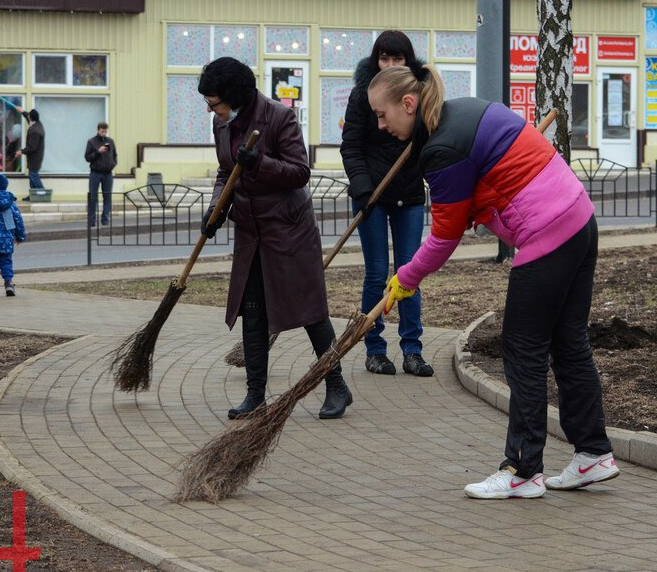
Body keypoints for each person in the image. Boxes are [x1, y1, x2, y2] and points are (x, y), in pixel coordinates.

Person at [368, 64, 619, 499]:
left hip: (546, 233)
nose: (381, 124)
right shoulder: (464, 112)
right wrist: (478, 208)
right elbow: (500, 177)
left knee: (523, 349)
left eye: (382, 114)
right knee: (568, 342)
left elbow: (444, 238)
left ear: (408, 104)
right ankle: (593, 454)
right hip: (578, 218)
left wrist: (405, 278)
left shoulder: (441, 148)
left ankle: (522, 471)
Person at [198, 56, 353, 420]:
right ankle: (255, 395)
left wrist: (259, 164)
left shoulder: (278, 118)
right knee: (252, 313)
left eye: (215, 102)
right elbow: (226, 170)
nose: (211, 109)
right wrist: (216, 207)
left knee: (310, 311)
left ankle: (336, 385)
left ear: (234, 96)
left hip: (288, 231)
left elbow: (299, 172)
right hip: (251, 232)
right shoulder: (222, 125)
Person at [341, 30, 432, 377]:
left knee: (409, 272)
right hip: (372, 199)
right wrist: (363, 189)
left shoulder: (420, 97)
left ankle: (412, 350)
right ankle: (375, 349)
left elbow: (432, 143)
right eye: (385, 58)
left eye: (398, 59)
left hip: (408, 196)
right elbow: (351, 147)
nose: (391, 65)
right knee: (377, 273)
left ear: (408, 61)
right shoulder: (362, 96)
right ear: (375, 60)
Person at [85, 122, 117, 227]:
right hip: (95, 173)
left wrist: (113, 164)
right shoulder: (91, 142)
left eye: (105, 131)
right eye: (102, 131)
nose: (104, 133)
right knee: (93, 197)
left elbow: (115, 155)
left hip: (108, 173)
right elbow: (87, 158)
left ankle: (105, 219)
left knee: (107, 196)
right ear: (98, 130)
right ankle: (92, 221)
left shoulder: (110, 142)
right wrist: (98, 152)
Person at [14, 107, 45, 198]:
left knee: (33, 175)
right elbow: (29, 117)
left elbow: (32, 147)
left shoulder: (35, 131)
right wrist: (22, 111)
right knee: (32, 175)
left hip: (35, 157)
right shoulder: (38, 124)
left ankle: (42, 194)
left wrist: (21, 151)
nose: (28, 117)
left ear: (31, 118)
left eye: (29, 116)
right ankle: (33, 195)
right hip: (35, 157)